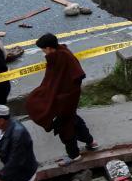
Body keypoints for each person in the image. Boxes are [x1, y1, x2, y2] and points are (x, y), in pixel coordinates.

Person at [25, 33, 97, 166]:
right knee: (73, 120)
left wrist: (59, 97)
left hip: (66, 98)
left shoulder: (60, 58)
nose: (44, 53)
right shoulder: (62, 52)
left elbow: (65, 78)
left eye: (43, 50)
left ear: (49, 48)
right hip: (67, 97)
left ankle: (74, 156)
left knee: (65, 126)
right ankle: (90, 142)